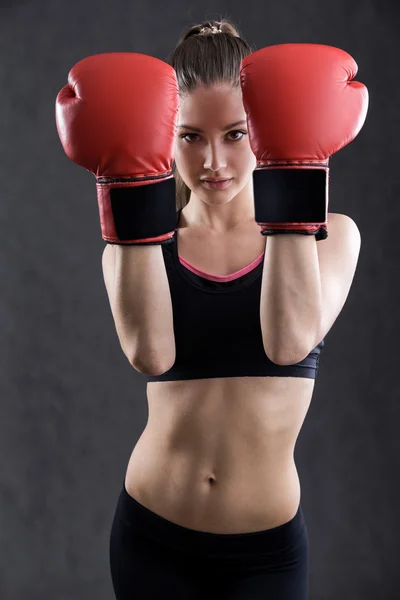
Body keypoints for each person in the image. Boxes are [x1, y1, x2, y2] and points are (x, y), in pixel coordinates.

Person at [55, 18, 368, 600]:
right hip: (152, 533)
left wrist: (292, 171)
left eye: (236, 133)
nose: (213, 160)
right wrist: (129, 194)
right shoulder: (139, 245)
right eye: (190, 136)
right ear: (162, 136)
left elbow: (289, 341)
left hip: (265, 550)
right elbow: (150, 355)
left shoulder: (335, 236)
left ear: (267, 129)